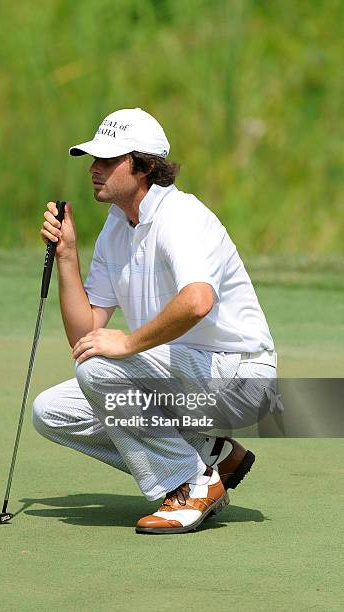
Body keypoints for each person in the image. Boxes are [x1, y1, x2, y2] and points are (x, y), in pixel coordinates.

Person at [32, 108, 277, 534]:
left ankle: (192, 484)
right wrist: (69, 256)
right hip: (186, 377)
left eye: (109, 160)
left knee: (102, 366)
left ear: (144, 166)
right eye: (94, 159)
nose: (94, 169)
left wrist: (127, 344)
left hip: (240, 379)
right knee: (51, 411)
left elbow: (197, 301)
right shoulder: (116, 226)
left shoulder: (180, 216)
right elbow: (86, 337)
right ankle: (210, 452)